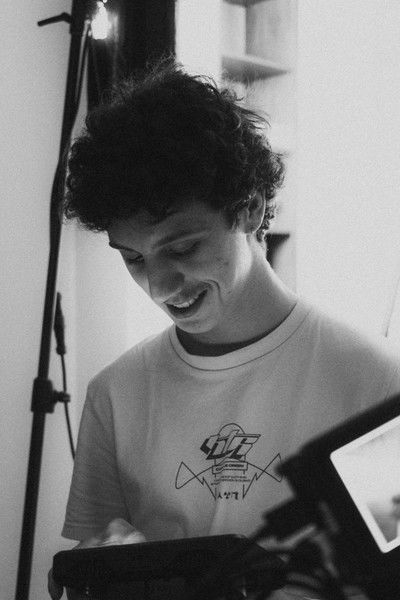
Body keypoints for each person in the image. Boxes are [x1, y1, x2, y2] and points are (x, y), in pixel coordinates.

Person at [48, 60, 400, 599]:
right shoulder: (115, 393)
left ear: (250, 209)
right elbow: (85, 579)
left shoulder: (375, 382)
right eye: (134, 258)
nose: (160, 286)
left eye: (183, 248)